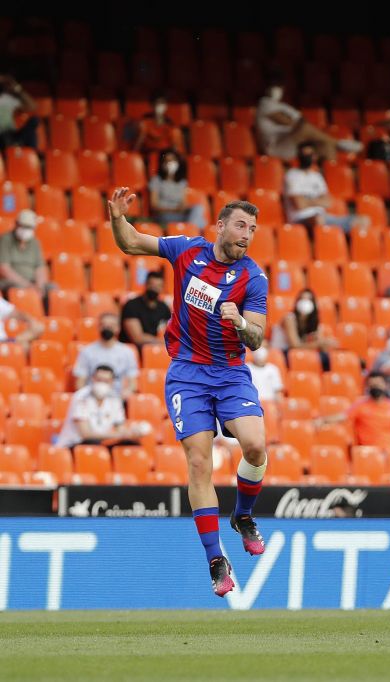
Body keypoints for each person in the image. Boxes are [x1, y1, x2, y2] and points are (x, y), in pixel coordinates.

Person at [107, 187, 270, 598]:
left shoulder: (253, 277)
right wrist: (116, 217)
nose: (246, 234)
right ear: (219, 226)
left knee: (255, 446)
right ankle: (216, 559)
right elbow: (130, 242)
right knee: (199, 462)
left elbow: (257, 339)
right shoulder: (186, 250)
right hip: (187, 374)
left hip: (231, 374)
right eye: (239, 225)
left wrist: (239, 324)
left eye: (252, 228)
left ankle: (243, 516)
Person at [255, 78, 362, 162]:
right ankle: (338, 143)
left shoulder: (279, 105)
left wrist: (300, 121)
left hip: (289, 143)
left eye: (280, 88)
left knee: (326, 145)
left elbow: (299, 120)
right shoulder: (265, 104)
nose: (278, 91)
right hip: (275, 148)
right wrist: (299, 121)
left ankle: (331, 179)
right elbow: (290, 122)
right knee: (304, 128)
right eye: (275, 88)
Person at [56, 365, 149, 449]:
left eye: (106, 381)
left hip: (100, 444)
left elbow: (120, 429)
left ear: (112, 382)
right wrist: (118, 435)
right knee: (92, 443)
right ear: (93, 379)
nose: (101, 384)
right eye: (99, 380)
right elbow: (85, 434)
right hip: (74, 445)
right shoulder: (81, 397)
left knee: (131, 444)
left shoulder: (114, 399)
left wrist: (131, 432)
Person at [283, 143, 369, 233]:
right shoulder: (292, 174)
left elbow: (327, 202)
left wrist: (307, 201)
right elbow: (300, 204)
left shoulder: (317, 176)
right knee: (319, 219)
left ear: (315, 157)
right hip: (301, 218)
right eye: (305, 154)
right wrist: (318, 201)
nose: (308, 157)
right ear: (298, 156)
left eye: (310, 154)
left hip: (325, 217)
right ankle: (323, 244)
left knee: (363, 220)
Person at [315, 372, 390, 448]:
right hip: (368, 453)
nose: (375, 388)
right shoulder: (360, 405)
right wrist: (323, 420)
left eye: (378, 384)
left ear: (385, 385)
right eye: (373, 385)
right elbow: (343, 417)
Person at [73, 313, 139, 398]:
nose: (107, 328)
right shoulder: (87, 351)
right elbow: (80, 383)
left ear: (118, 328)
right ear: (98, 327)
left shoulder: (127, 352)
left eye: (111, 325)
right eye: (103, 325)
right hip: (92, 398)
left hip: (117, 398)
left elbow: (133, 384)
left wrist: (124, 396)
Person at [276, 289, 336, 371]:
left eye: (308, 300)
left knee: (325, 357)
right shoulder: (289, 318)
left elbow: (321, 344)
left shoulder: (314, 322)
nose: (305, 302)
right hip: (282, 353)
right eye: (302, 299)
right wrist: (318, 343)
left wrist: (325, 343)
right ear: (297, 302)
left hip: (300, 353)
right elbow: (295, 345)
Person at [148, 149, 206, 229]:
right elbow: (154, 205)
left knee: (198, 208)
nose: (170, 163)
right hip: (164, 216)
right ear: (162, 163)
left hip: (179, 215)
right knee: (199, 221)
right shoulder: (156, 180)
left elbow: (183, 203)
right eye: (167, 161)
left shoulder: (182, 182)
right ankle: (192, 233)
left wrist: (182, 207)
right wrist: (173, 209)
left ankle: (191, 231)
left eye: (172, 160)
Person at [0, 209, 50, 294]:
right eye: (23, 226)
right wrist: (28, 286)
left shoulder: (35, 243)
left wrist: (40, 287)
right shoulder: (5, 240)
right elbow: (4, 269)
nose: (26, 230)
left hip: (33, 282)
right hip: (12, 283)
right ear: (16, 224)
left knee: (51, 288)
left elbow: (40, 268)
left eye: (29, 227)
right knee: (18, 288)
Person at [120, 270, 171, 348]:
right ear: (146, 284)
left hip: (156, 350)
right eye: (152, 285)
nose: (155, 289)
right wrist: (161, 342)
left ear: (162, 288)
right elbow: (137, 338)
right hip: (132, 351)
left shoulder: (164, 308)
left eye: (158, 286)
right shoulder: (132, 305)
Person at [0, 75, 37, 150]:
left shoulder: (7, 99)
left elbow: (32, 106)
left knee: (34, 120)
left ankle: (32, 155)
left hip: (12, 134)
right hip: (1, 136)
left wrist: (17, 88)